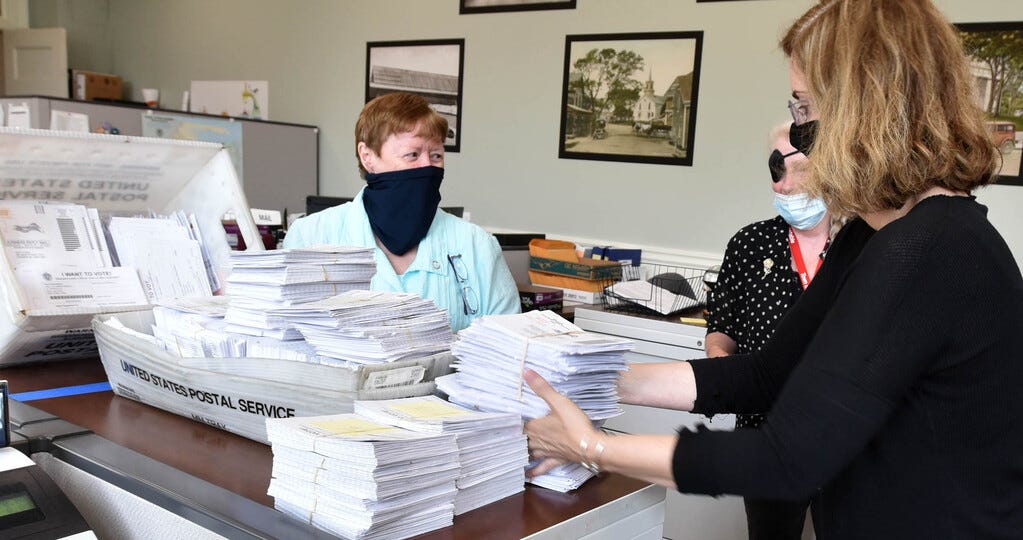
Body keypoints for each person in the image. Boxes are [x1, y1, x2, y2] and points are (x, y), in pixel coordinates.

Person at [523, 1, 1023, 538]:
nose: (799, 133)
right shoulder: (874, 233)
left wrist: (592, 446)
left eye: (805, 108)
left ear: (862, 110)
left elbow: (788, 459)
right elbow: (768, 375)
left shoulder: (929, 249)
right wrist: (595, 382)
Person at [283, 92, 520, 331]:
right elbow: (285, 340)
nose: (427, 166)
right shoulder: (310, 237)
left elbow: (510, 345)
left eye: (436, 155)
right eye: (412, 155)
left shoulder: (475, 244)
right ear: (367, 157)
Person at [704, 122, 832, 540]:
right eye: (776, 170)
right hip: (767, 437)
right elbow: (721, 330)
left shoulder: (867, 245)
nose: (783, 185)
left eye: (799, 170)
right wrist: (723, 374)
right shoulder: (750, 244)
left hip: (849, 439)